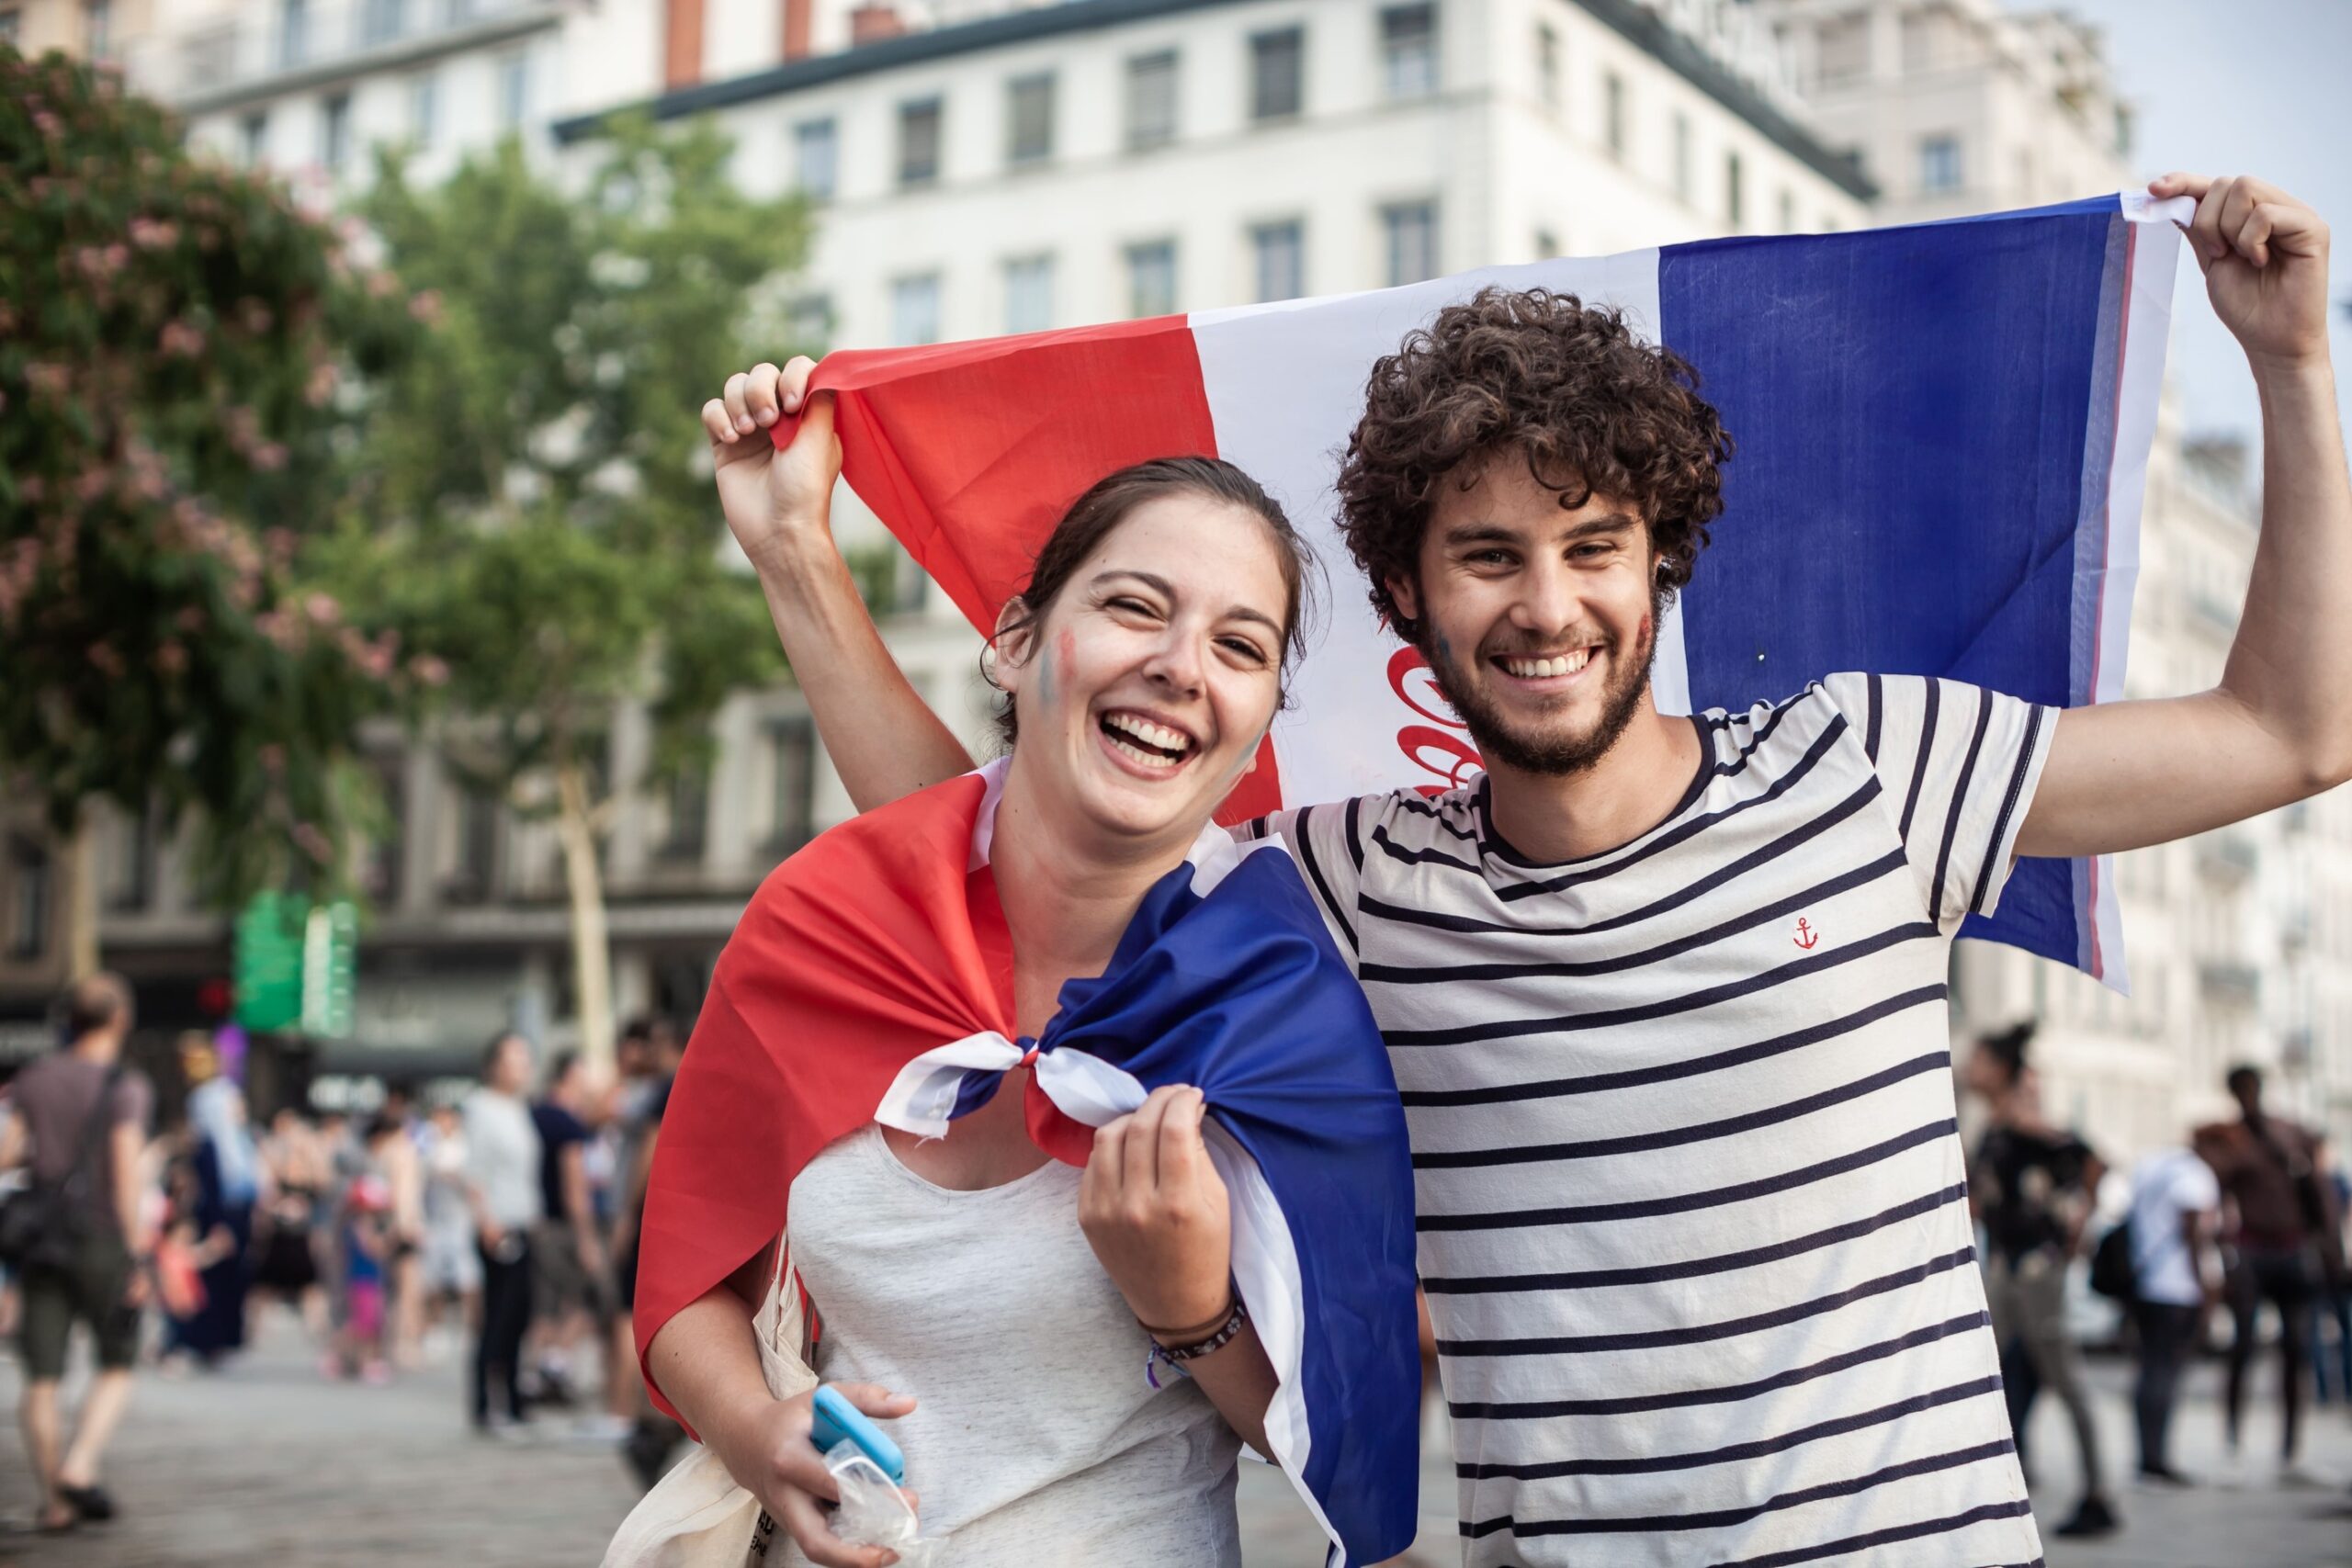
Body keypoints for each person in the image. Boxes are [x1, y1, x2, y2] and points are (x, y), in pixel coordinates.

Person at [729, 168, 2352, 1563]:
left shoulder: (1868, 763)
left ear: (1663, 565)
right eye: (1489, 555)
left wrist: (2291, 362)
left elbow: (2290, 730)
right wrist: (800, 555)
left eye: (1594, 548)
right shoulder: (1351, 892)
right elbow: (1014, 841)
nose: (1548, 604)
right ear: (1415, 599)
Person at [638, 436, 1419, 1567]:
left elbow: (1340, 1434)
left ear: (1258, 723)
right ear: (1014, 642)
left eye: (1237, 645)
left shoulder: (1277, 1009)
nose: (1180, 665)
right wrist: (759, 1433)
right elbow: (683, 1285)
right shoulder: (826, 923)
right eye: (1133, 606)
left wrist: (1189, 1305)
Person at [0, 974, 153, 1535]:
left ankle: (53, 1503)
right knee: (118, 1362)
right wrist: (138, 1255)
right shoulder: (124, 1085)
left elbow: (7, 1153)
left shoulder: (34, 1077)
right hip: (101, 1237)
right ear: (119, 1019)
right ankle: (80, 1462)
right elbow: (126, 1175)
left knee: (41, 1377)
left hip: (41, 1241)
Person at [1961, 1024, 2114, 1534]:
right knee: (1984, 1374)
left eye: (1978, 1057)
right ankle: (1985, 1483)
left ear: (2000, 1068)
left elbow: (2091, 1161)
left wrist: (2077, 1226)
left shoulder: (2027, 1124)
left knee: (2065, 1379)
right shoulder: (1996, 1126)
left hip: (2036, 1271)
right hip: (2004, 1268)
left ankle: (2099, 1495)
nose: (1969, 1066)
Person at [2197, 1063, 2341, 1482]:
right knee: (2243, 1346)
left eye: (2251, 1089)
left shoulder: (2288, 1132)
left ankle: (2290, 1446)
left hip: (2291, 1249)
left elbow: (2317, 1186)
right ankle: (2233, 1439)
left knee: (2296, 1347)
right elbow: (2216, 1186)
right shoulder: (2231, 1140)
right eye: (2240, 1090)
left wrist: (2328, 1244)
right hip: (2253, 1249)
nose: (2248, 1097)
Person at [2130, 1134, 2224, 1483]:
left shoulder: (2152, 1166)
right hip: (2178, 1287)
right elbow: (2194, 1232)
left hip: (2148, 1282)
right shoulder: (2196, 1175)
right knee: (2166, 1373)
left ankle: (2148, 1455)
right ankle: (2155, 1460)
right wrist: (2206, 1287)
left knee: (2150, 1370)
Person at [463, 1032, 544, 1433]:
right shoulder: (480, 1107)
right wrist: (486, 1222)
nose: (523, 1065)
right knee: (498, 1315)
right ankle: (484, 1406)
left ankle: (512, 1403)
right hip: (497, 1228)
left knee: (518, 1317)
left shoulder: (518, 1108)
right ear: (494, 1064)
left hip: (522, 1224)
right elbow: (474, 1171)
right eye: (515, 1057)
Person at [526, 1050, 609, 1416]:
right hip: (563, 1227)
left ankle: (539, 1373)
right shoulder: (567, 1125)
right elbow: (575, 1187)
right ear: (572, 1075)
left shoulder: (533, 1115)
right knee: (588, 1300)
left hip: (537, 1223)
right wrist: (588, 1238)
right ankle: (554, 1366)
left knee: (545, 1305)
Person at [171, 1077, 258, 1367]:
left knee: (226, 1285)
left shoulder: (239, 1142)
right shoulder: (208, 1146)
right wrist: (220, 1226)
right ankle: (198, 1342)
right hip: (216, 1224)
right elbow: (209, 1192)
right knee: (206, 1286)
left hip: (234, 1223)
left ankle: (218, 1342)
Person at [252, 1106, 328, 1340]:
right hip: (279, 1229)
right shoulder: (272, 1154)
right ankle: (252, 1333)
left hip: (303, 1231)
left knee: (310, 1284)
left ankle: (320, 1333)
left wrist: (307, 1150)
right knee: (265, 1284)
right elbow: (265, 1190)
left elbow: (322, 1183)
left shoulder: (309, 1157)